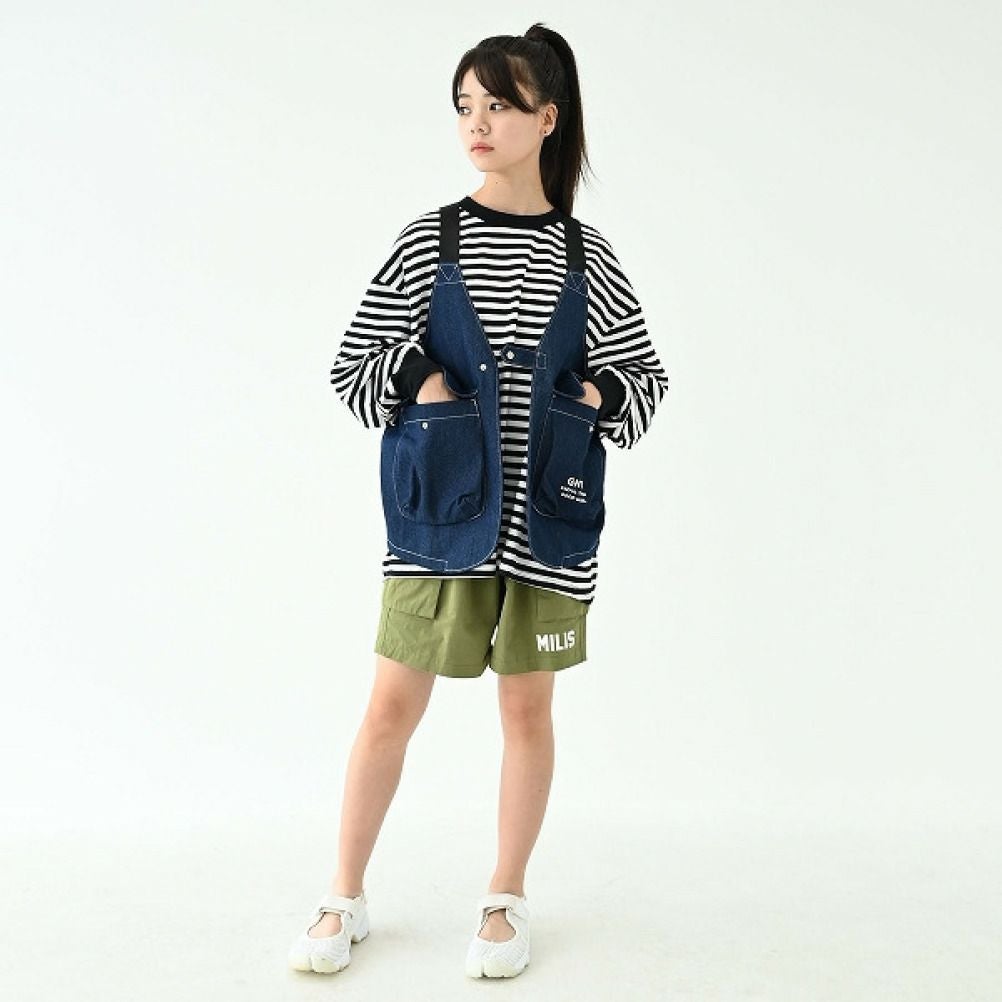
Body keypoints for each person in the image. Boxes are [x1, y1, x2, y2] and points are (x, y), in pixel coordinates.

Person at [288, 22, 669, 980]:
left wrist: (595, 396)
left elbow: (646, 380)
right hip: (437, 525)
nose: (478, 123)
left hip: (548, 526)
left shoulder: (586, 255)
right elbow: (352, 367)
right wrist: (418, 380)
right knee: (390, 705)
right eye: (465, 105)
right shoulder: (433, 241)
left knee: (527, 713)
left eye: (499, 104)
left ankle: (505, 896)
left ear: (548, 118)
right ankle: (343, 894)